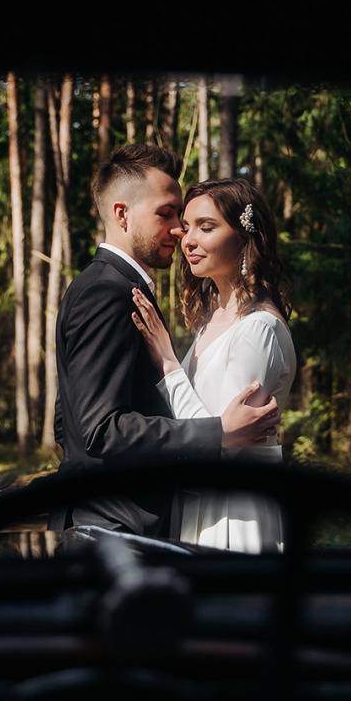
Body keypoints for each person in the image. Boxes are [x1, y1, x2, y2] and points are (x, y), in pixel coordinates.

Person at [50, 145, 281, 538]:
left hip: (112, 517)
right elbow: (100, 429)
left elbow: (66, 422)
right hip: (118, 526)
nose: (178, 228)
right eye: (166, 213)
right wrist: (217, 433)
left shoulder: (105, 286)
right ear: (122, 214)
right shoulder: (108, 293)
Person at [129, 177, 296, 552]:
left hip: (236, 512)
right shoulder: (212, 321)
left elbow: (225, 443)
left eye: (206, 227)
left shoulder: (259, 329)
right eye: (187, 228)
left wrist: (169, 363)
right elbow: (213, 433)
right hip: (199, 502)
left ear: (243, 236)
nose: (188, 240)